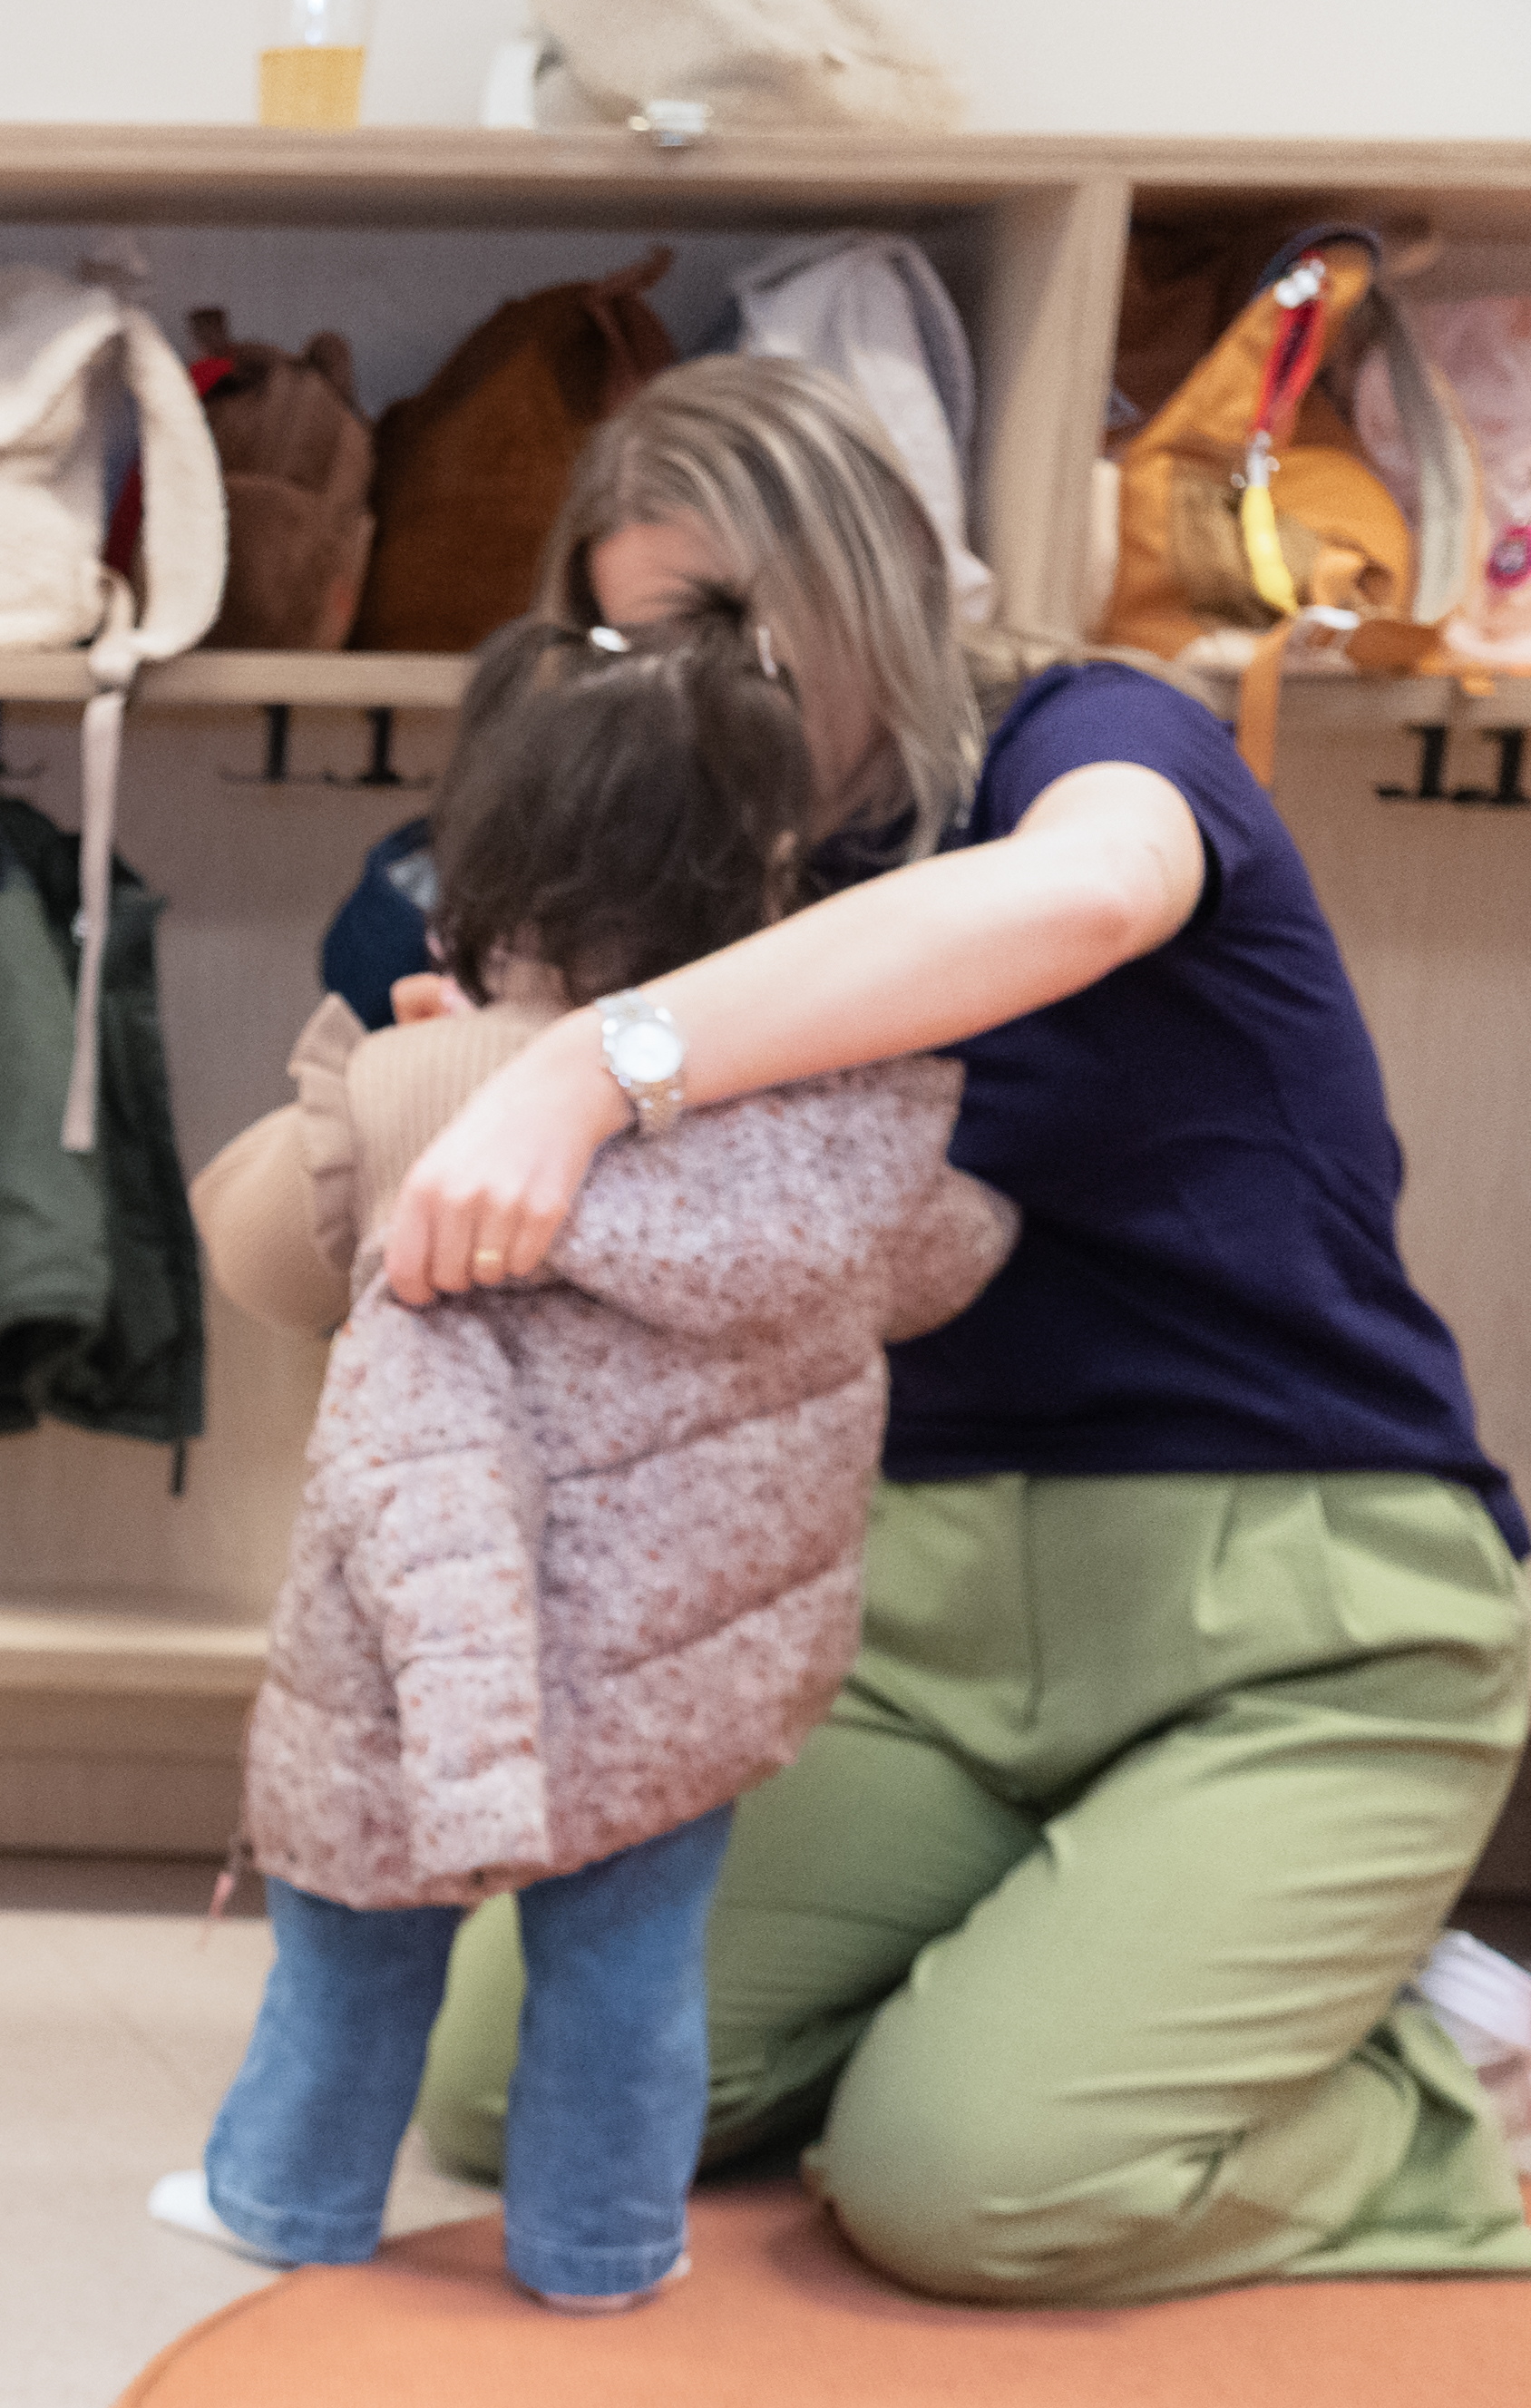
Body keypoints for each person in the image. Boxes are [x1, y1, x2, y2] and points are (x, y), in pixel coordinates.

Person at [362, 357, 1531, 2303]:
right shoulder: (703, 879)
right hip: (910, 1633)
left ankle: (1437, 2081)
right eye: (639, 636)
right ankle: (1086, 1964)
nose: (691, 681)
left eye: (738, 628)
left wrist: (593, 1061)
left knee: (968, 2191)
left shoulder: (1093, 739)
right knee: (504, 2080)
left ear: (879, 585)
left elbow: (1089, 894)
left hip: (1299, 1615)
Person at [157, 614, 1012, 2307]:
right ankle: (605, 2249)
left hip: (428, 1701)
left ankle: (288, 2195)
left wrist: (479, 1786)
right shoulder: (846, 1130)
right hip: (685, 1698)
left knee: (352, 1965)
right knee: (631, 1977)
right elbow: (948, 1254)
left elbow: (413, 1465)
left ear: (484, 882)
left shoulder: (450, 1147)